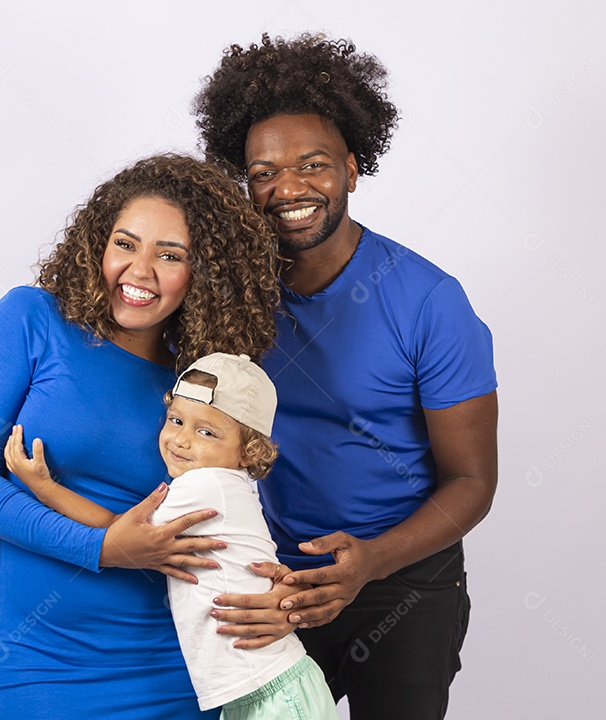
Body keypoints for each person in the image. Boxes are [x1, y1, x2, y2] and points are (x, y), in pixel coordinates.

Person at [192, 34, 500, 718]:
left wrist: (371, 562)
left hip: (404, 582)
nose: (289, 188)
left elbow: (473, 483)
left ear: (354, 170)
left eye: (313, 165)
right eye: (264, 171)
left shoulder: (429, 300)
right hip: (274, 575)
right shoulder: (231, 295)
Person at [0, 154, 289, 719]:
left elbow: (230, 516)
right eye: (125, 244)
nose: (140, 271)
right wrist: (103, 550)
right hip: (43, 667)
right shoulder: (33, 320)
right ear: (96, 245)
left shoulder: (203, 384)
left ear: (204, 273)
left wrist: (277, 595)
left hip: (179, 673)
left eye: (170, 256)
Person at [4, 352, 338, 719]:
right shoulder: (223, 484)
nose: (181, 440)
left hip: (273, 692)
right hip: (256, 689)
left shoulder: (205, 484)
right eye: (176, 420)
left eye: (206, 432)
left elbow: (118, 529)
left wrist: (44, 486)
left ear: (248, 451)